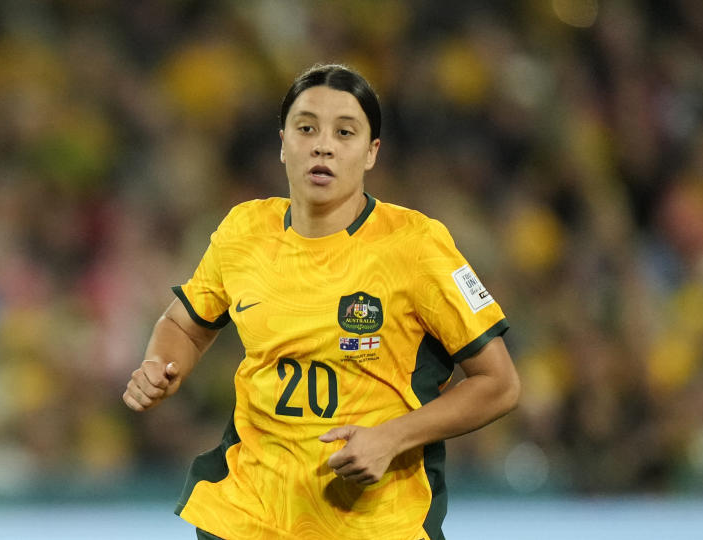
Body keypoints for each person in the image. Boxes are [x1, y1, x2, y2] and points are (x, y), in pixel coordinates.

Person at [122, 63, 521, 540]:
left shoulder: (417, 246)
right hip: (250, 517)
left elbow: (499, 384)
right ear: (283, 143)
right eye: (306, 127)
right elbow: (186, 325)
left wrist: (390, 438)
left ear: (371, 153)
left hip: (376, 523)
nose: (323, 144)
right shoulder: (243, 231)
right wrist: (159, 367)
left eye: (345, 132)